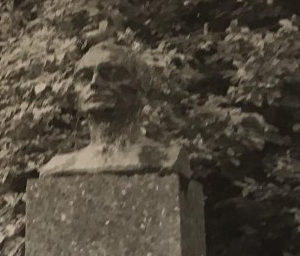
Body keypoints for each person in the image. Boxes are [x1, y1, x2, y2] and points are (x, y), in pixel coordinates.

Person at [40, 41, 189, 177]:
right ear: (75, 96)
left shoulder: (165, 158)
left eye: (112, 75)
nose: (94, 83)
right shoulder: (58, 166)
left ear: (143, 90)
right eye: (85, 77)